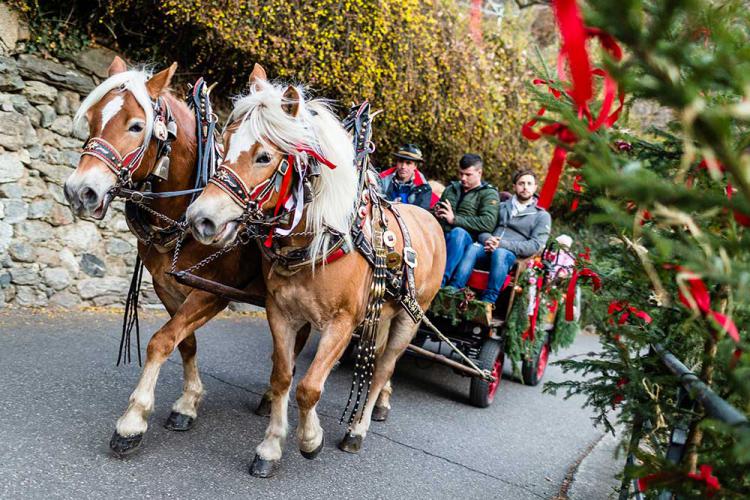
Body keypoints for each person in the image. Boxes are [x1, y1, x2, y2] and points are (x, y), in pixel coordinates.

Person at [448, 168, 551, 306]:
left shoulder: (541, 216)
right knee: (472, 248)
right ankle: (454, 290)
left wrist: (501, 244)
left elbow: (535, 245)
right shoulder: (500, 206)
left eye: (529, 184)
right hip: (487, 247)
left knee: (500, 253)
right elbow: (485, 228)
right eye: (521, 183)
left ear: (535, 187)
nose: (525, 187)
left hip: (512, 256)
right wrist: (488, 240)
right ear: (514, 186)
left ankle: (487, 302)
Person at [436, 153, 500, 286]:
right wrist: (436, 212)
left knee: (458, 233)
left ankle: (439, 282)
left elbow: (488, 222)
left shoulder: (488, 193)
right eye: (461, 174)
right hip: (441, 233)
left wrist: (454, 219)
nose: (463, 178)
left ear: (479, 172)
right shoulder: (451, 189)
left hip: (467, 239)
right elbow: (441, 210)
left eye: (468, 174)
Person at [379, 144, 437, 210]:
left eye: (408, 163)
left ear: (415, 166)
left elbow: (420, 214)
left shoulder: (424, 188)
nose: (403, 166)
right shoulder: (382, 179)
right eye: (401, 161)